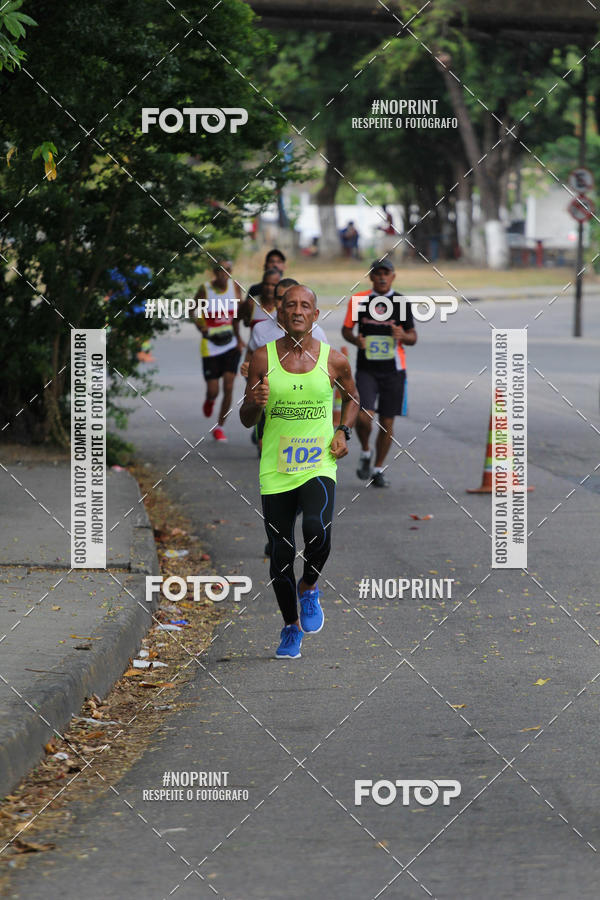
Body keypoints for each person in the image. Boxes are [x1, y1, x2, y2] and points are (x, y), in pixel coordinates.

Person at [240, 285, 359, 659]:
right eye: (290, 305)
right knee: (280, 550)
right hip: (276, 467)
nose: (297, 311)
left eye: (305, 305)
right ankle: (290, 626)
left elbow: (352, 399)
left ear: (315, 315)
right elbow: (246, 418)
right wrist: (255, 404)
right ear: (279, 314)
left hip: (318, 463)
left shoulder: (334, 360)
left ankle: (309, 586)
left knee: (316, 530)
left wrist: (343, 430)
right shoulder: (263, 358)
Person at [341, 258, 417, 487]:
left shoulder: (401, 302)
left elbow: (413, 337)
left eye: (387, 273)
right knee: (364, 418)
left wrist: (403, 336)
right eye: (378, 273)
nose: (382, 277)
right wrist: (356, 340)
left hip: (394, 370)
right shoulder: (359, 300)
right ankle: (365, 450)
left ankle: (377, 468)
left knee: (387, 422)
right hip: (367, 369)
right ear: (371, 276)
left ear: (393, 276)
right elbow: (346, 330)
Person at [194, 259, 244, 442]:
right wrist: (202, 326)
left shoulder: (235, 287)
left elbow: (238, 316)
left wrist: (239, 339)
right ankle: (210, 399)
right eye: (221, 270)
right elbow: (194, 311)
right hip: (211, 345)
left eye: (228, 270)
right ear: (215, 272)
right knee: (214, 390)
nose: (225, 274)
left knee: (229, 386)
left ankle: (220, 427)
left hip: (231, 345)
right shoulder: (205, 289)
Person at [240, 267, 281, 332]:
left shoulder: (283, 306)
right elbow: (236, 320)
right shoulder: (251, 303)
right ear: (261, 284)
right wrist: (240, 340)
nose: (269, 288)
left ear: (279, 286)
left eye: (273, 285)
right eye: (266, 284)